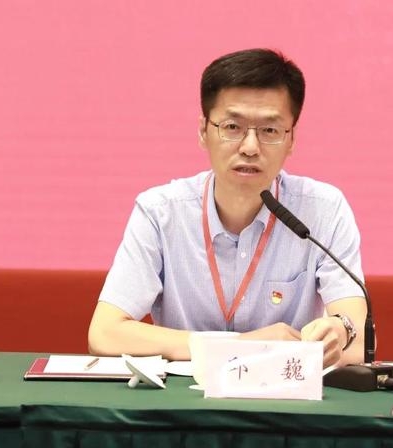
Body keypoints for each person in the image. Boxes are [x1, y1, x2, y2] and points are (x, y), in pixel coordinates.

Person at [88, 48, 368, 368]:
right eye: (233, 127)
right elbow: (105, 333)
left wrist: (339, 333)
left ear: (291, 140)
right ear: (203, 132)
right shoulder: (160, 213)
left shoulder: (323, 211)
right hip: (183, 396)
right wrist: (241, 347)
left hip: (285, 393)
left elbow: (359, 341)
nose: (250, 147)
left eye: (270, 130)